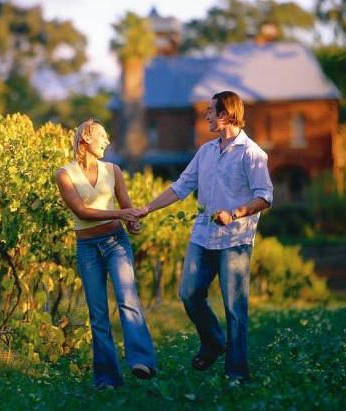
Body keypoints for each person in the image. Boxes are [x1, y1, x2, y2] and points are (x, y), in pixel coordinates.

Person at [137, 91, 273, 381]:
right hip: (202, 237)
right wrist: (147, 208)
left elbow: (265, 197)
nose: (206, 115)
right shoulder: (206, 152)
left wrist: (234, 214)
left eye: (211, 111)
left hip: (235, 241)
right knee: (189, 293)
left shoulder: (252, 154)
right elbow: (180, 187)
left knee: (234, 308)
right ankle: (213, 341)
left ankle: (236, 374)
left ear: (225, 114)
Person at [54, 119, 157, 389]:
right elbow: (81, 212)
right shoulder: (64, 174)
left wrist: (132, 222)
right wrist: (121, 214)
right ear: (86, 138)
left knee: (127, 299)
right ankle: (107, 378)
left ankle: (142, 361)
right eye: (102, 136)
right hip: (87, 248)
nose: (107, 141)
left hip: (115, 242)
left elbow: (126, 206)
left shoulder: (113, 170)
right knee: (98, 313)